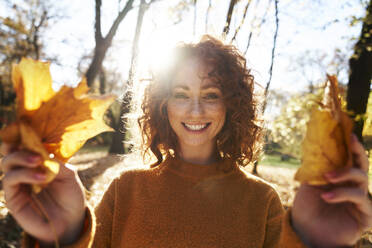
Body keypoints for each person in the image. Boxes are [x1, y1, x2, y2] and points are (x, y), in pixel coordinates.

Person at [1, 35, 371, 248]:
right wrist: (61, 235)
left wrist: (316, 242)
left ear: (232, 104)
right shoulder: (125, 190)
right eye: (181, 93)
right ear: (163, 105)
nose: (195, 109)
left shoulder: (262, 202)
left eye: (211, 94)